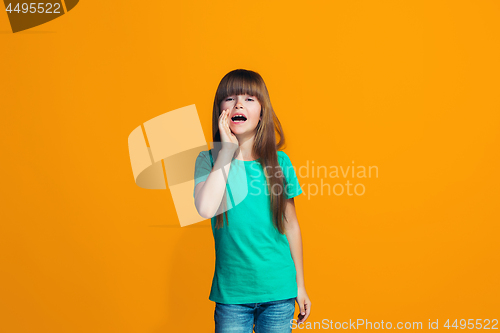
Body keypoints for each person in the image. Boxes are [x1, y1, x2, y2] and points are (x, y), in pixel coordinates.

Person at [193, 69, 311, 332]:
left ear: (262, 111)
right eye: (230, 98)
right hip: (232, 296)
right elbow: (205, 208)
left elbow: (291, 226)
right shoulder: (209, 161)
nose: (238, 104)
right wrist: (226, 153)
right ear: (220, 109)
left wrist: (300, 285)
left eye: (249, 99)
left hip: (279, 291)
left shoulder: (280, 163)